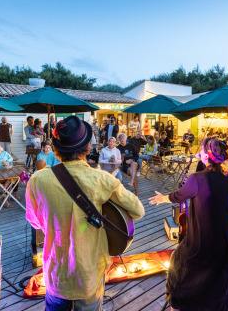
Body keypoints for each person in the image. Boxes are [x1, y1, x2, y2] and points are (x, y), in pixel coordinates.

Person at [26, 115, 144, 310]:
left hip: (56, 274)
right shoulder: (102, 179)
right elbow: (138, 211)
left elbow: (36, 222)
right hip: (89, 273)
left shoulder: (37, 180)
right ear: (87, 148)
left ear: (56, 148)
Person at [149, 137, 228, 311]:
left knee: (179, 262)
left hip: (205, 241)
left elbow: (178, 196)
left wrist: (162, 198)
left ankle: (179, 305)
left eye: (201, 149)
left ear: (206, 155)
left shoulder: (197, 179)